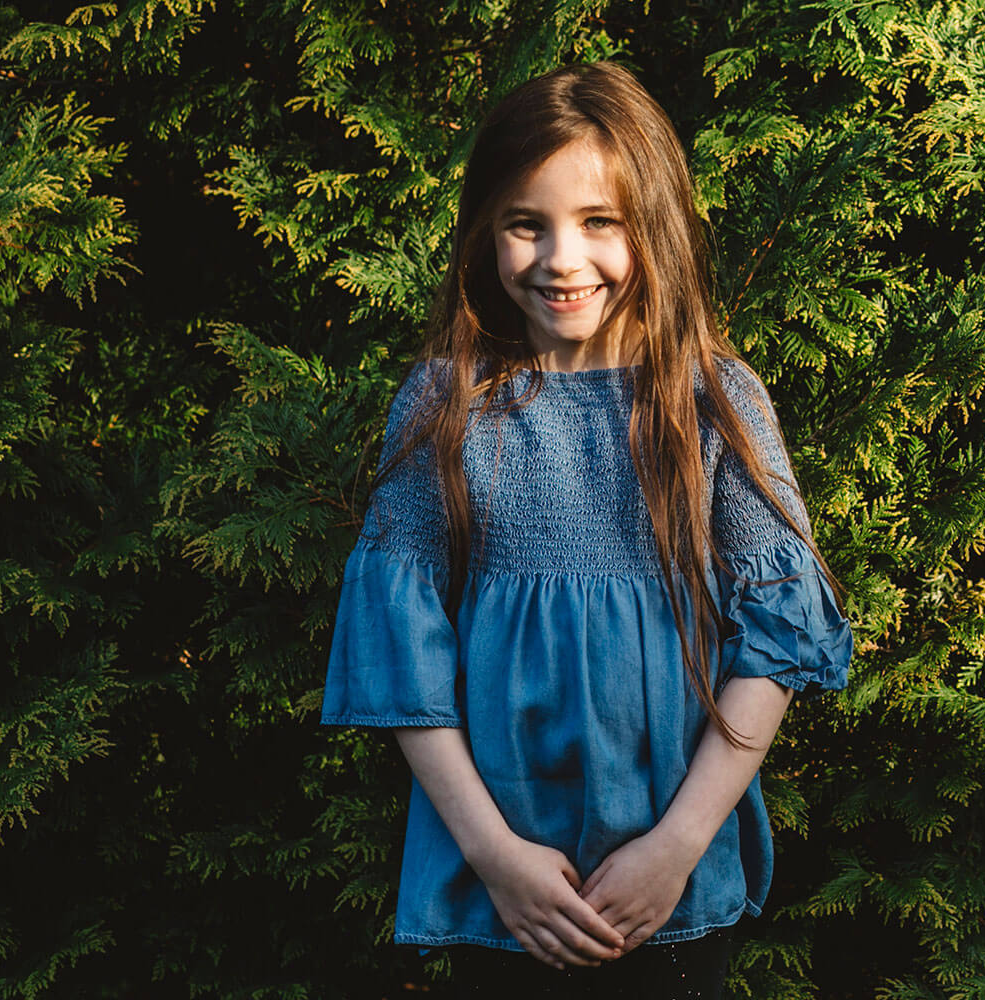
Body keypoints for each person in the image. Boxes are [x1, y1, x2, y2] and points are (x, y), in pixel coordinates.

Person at [318, 61, 853, 999]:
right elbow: (402, 655)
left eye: (600, 223)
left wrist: (676, 847)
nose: (563, 259)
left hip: (670, 892)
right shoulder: (445, 407)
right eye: (529, 224)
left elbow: (774, 645)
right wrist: (493, 857)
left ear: (657, 227)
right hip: (501, 895)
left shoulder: (714, 403)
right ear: (487, 233)